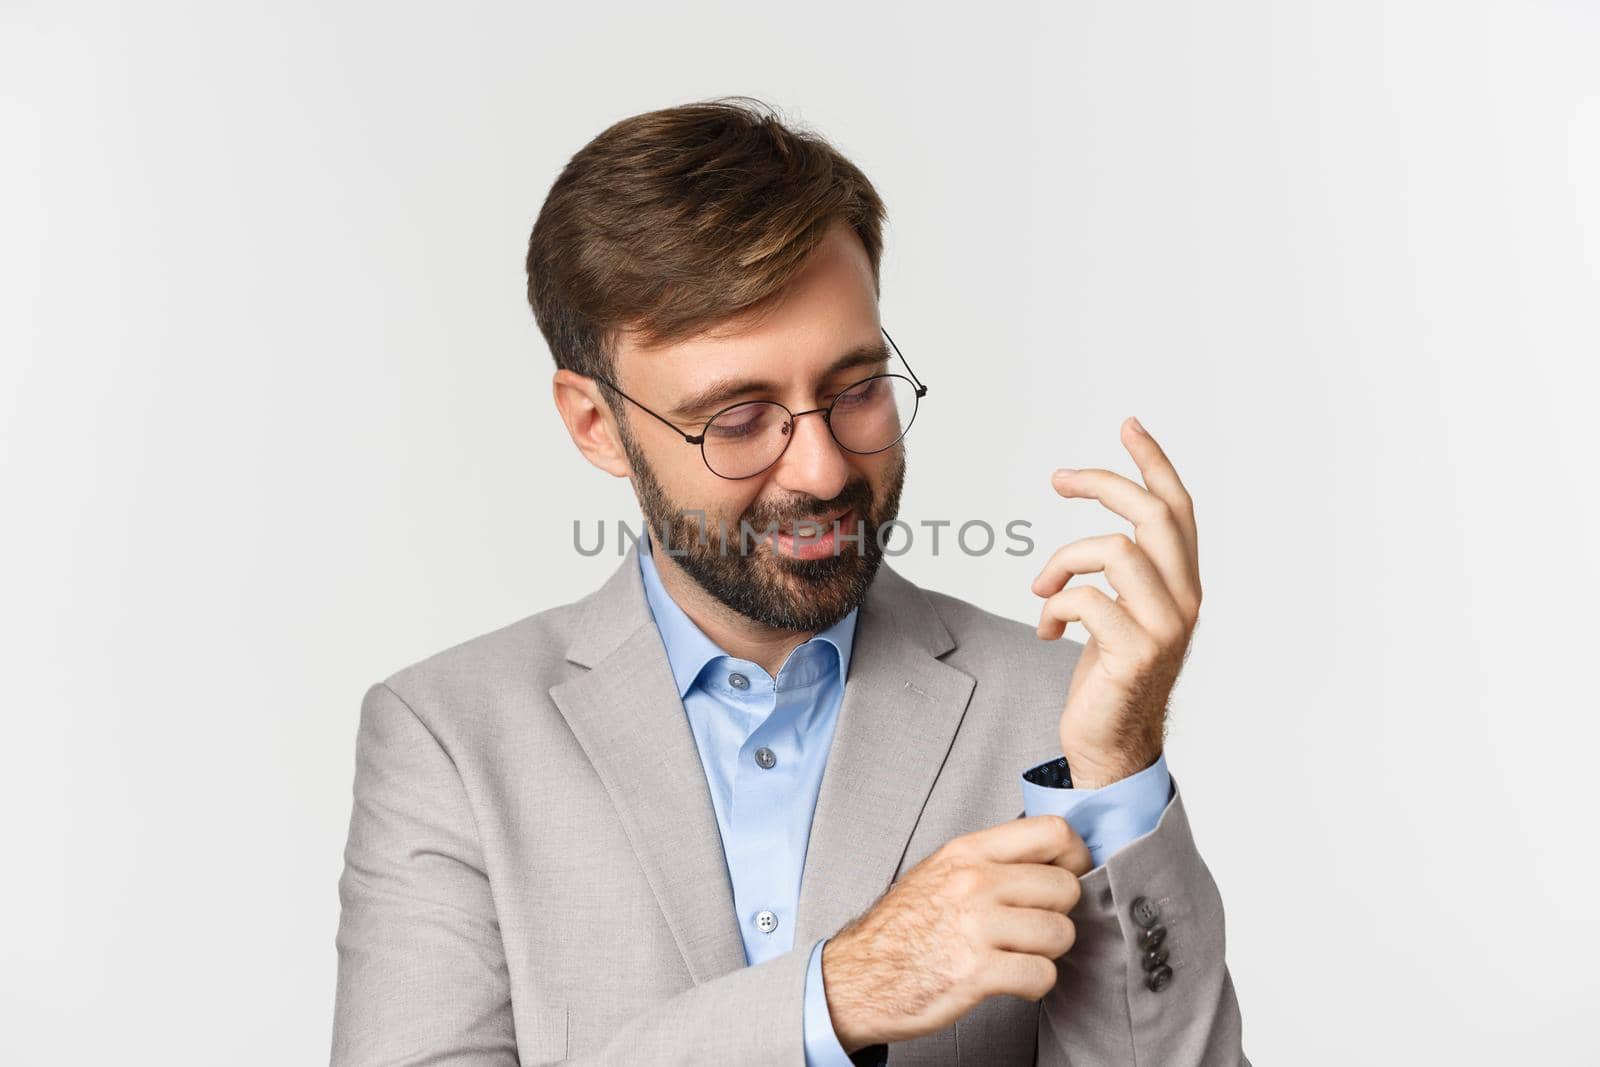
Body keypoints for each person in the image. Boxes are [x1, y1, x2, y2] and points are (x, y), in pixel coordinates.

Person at [331, 96, 1247, 1066]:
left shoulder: (1054, 715)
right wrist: (835, 992)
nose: (819, 468)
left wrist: (1118, 772)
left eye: (856, 389)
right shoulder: (449, 739)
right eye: (736, 418)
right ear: (596, 423)